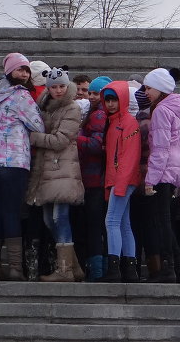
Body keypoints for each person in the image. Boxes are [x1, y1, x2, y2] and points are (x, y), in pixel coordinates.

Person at [0, 53, 44, 280]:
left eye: (26, 70)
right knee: (12, 212)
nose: (24, 74)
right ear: (9, 72)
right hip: (15, 161)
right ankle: (15, 267)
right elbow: (38, 125)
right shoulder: (22, 96)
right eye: (20, 70)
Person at [27, 68, 86, 282]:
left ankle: (64, 270)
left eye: (62, 85)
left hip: (64, 170)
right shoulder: (45, 107)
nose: (59, 90)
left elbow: (61, 140)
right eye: (54, 87)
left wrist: (34, 138)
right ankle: (74, 267)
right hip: (47, 170)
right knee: (49, 219)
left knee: (58, 217)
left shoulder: (72, 107)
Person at [142, 67, 180, 283]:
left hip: (162, 171)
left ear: (160, 88)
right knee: (166, 221)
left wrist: (150, 179)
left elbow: (160, 149)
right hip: (175, 169)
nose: (146, 91)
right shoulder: (177, 109)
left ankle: (169, 269)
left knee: (162, 223)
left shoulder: (161, 110)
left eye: (149, 87)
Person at [102, 81, 142, 282]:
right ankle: (129, 270)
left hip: (123, 180)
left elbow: (129, 157)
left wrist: (120, 185)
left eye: (114, 99)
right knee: (123, 224)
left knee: (112, 221)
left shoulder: (128, 122)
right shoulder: (114, 123)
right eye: (107, 99)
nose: (110, 104)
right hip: (119, 180)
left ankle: (114, 269)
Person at [75, 74, 110, 280]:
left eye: (96, 93)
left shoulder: (98, 115)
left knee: (94, 226)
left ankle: (97, 271)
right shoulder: (98, 112)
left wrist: (75, 138)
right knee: (97, 226)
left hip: (93, 178)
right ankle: (100, 267)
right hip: (96, 178)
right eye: (91, 92)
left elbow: (95, 145)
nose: (91, 96)